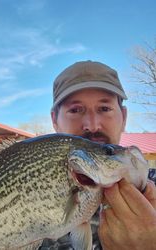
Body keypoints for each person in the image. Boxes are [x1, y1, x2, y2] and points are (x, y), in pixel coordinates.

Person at [39, 61, 156, 249]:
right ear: (55, 120)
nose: (92, 125)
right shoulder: (31, 189)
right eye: (75, 110)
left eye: (104, 109)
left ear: (123, 117)